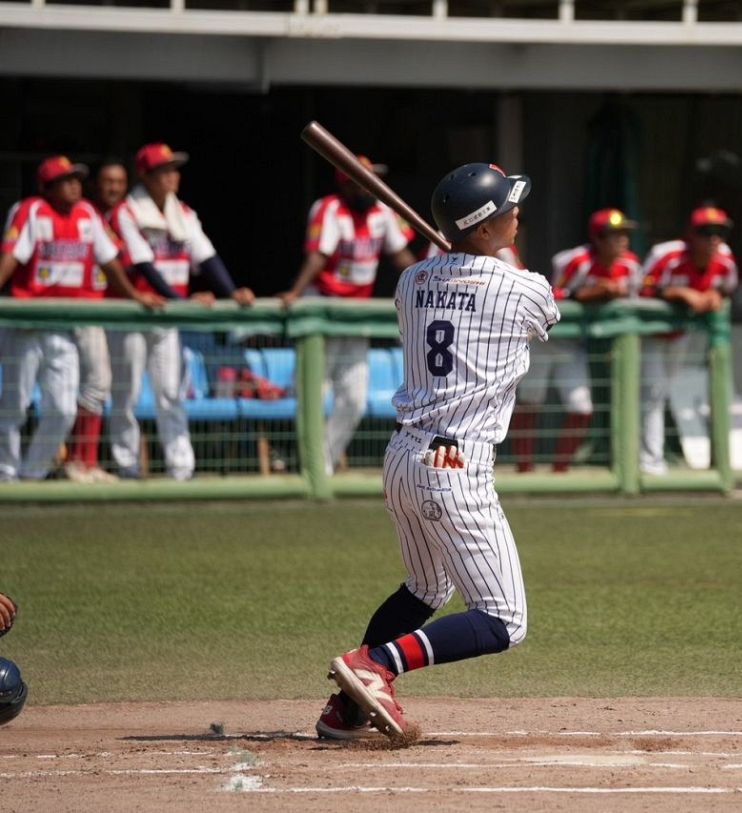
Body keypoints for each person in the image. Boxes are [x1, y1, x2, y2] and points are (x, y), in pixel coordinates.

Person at [319, 162, 558, 742]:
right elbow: (542, 309)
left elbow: (457, 280)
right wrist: (476, 258)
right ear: (481, 229)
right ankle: (375, 666)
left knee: (426, 588)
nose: (517, 214)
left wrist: (459, 254)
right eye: (506, 210)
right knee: (504, 621)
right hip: (457, 462)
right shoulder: (524, 288)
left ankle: (346, 710)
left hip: (404, 455)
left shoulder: (411, 282)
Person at [0, 156, 161, 483]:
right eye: (66, 179)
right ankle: (6, 474)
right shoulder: (31, 209)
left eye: (77, 178)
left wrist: (133, 295)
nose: (75, 184)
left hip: (65, 323)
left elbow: (110, 261)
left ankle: (31, 474)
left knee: (63, 408)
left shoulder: (87, 213)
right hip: (27, 321)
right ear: (48, 187)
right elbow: (12, 256)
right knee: (14, 405)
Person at [106, 143, 255, 481]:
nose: (173, 176)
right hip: (132, 314)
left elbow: (207, 257)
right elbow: (144, 265)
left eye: (174, 169)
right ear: (145, 176)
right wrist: (181, 300)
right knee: (125, 393)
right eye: (164, 170)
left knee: (170, 391)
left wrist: (232, 291)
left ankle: (181, 467)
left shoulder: (183, 212)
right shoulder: (126, 212)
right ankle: (127, 465)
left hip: (167, 317)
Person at [278, 155, 415, 475]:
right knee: (313, 391)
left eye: (372, 179)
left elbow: (401, 255)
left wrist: (431, 278)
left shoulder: (383, 211)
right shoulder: (328, 208)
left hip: (355, 314)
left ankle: (319, 463)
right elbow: (318, 256)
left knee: (354, 397)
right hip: (322, 309)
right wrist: (296, 292)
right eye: (362, 180)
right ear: (347, 182)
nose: (370, 186)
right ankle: (310, 464)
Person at [511, 207, 638, 473]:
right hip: (543, 341)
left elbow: (638, 298)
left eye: (624, 234)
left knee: (582, 407)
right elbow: (552, 295)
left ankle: (560, 469)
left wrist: (614, 293)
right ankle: (524, 469)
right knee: (530, 402)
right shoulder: (575, 260)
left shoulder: (629, 265)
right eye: (614, 235)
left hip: (574, 345)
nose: (622, 240)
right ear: (599, 238)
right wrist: (588, 293)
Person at [637, 205, 738, 476]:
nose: (714, 239)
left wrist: (716, 296)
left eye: (720, 232)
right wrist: (679, 292)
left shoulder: (725, 260)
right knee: (653, 394)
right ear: (692, 235)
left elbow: (727, 289)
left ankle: (650, 458)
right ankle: (650, 462)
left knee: (660, 393)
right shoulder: (666, 255)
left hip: (679, 337)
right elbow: (639, 290)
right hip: (647, 335)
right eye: (707, 232)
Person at [63, 158, 131, 484]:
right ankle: (77, 461)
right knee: (86, 385)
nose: (113, 188)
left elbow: (122, 260)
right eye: (107, 181)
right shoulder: (86, 212)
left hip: (103, 311)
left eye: (119, 182)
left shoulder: (113, 216)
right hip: (78, 308)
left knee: (98, 386)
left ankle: (85, 461)